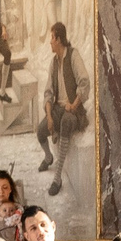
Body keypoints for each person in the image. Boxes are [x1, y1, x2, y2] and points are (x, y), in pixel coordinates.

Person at [35, 21, 89, 196]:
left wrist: (74, 105)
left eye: (52, 38)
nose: (50, 42)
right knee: (41, 130)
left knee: (66, 123)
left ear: (59, 39)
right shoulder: (53, 62)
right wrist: (50, 117)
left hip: (74, 109)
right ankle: (48, 157)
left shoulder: (73, 56)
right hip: (59, 108)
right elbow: (48, 92)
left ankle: (57, 179)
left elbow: (84, 81)